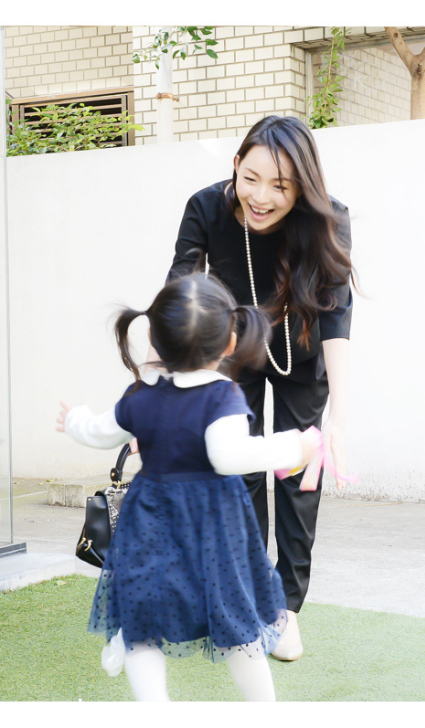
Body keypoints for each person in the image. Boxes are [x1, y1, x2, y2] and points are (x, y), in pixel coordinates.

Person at [57, 273, 321, 701]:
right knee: (237, 624)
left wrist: (74, 420)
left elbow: (101, 431)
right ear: (230, 343)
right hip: (214, 532)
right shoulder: (223, 396)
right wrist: (295, 446)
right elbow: (228, 456)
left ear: (153, 337)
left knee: (142, 624)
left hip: (150, 526)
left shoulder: (140, 395)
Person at [163, 115, 355, 661]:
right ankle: (250, 596)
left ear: (303, 187)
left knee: (298, 476)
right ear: (235, 167)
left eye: (280, 186)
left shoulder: (329, 218)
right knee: (238, 469)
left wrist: (338, 418)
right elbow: (180, 296)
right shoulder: (206, 207)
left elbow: (338, 317)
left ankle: (286, 609)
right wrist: (167, 390)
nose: (261, 197)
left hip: (302, 350)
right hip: (232, 350)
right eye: (250, 179)